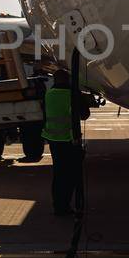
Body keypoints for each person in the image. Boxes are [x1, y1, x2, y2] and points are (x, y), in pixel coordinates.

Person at [40, 68, 85, 217]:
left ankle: (58, 205)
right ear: (68, 80)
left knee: (58, 174)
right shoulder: (71, 95)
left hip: (53, 139)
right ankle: (67, 205)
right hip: (69, 140)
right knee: (71, 175)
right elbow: (84, 114)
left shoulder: (49, 94)